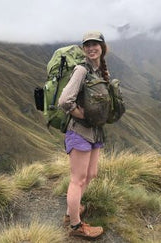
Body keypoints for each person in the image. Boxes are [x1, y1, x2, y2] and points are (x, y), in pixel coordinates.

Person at [58, 31, 109, 240]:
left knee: (91, 174)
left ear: (102, 47)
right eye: (87, 45)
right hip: (79, 131)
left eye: (95, 44)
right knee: (78, 180)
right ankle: (75, 225)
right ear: (83, 49)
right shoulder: (81, 70)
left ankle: (72, 210)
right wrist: (81, 114)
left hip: (95, 132)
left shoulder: (101, 70)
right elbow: (64, 101)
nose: (91, 48)